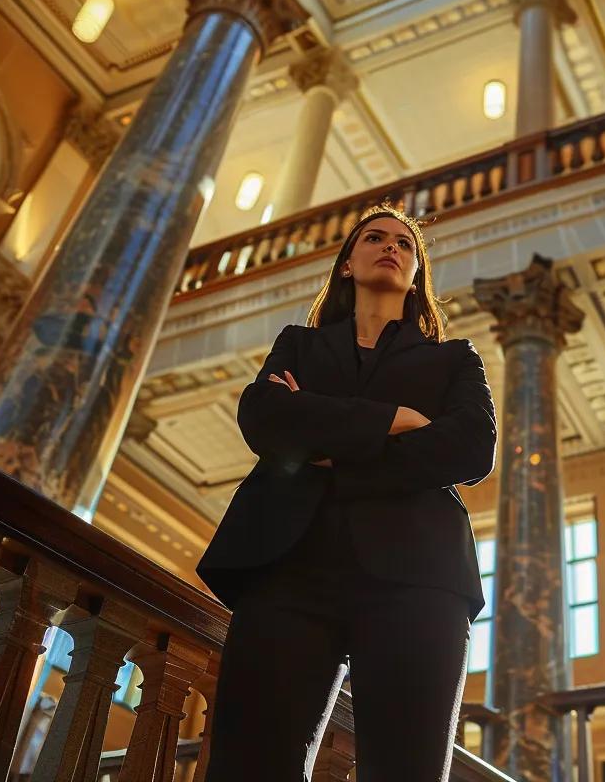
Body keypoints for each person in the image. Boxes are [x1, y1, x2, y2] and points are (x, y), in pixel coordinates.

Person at [196, 204, 497, 780]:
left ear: (416, 276)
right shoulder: (299, 345)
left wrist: (327, 446)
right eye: (375, 238)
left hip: (418, 577)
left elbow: (472, 448)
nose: (391, 247)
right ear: (346, 265)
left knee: (403, 770)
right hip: (287, 565)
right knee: (248, 764)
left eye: (405, 245)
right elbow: (265, 420)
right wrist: (395, 419)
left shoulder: (454, 358)